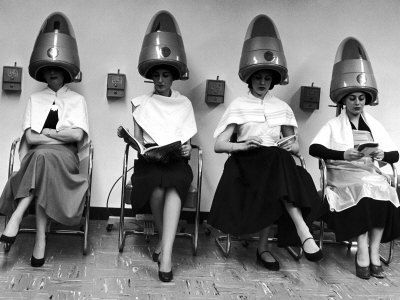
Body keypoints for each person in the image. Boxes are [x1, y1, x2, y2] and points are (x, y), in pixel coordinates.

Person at [208, 14, 323, 271]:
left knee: (280, 159)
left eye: (267, 78)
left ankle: (271, 245)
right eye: (258, 77)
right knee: (279, 164)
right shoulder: (238, 105)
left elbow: (295, 147)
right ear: (250, 78)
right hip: (246, 165)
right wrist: (243, 146)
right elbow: (219, 145)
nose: (263, 82)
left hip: (275, 164)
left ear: (273, 80)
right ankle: (300, 233)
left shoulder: (281, 108)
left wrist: (289, 146)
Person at [0, 12, 89, 268]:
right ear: (43, 71)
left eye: (58, 69)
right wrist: (57, 137)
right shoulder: (34, 99)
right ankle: (40, 239)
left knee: (42, 155)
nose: (53, 73)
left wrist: (47, 135)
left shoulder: (77, 100)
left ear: (65, 72)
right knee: (41, 158)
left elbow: (77, 136)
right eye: (49, 69)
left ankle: (17, 216)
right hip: (40, 158)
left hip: (66, 159)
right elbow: (29, 136)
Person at [310, 37, 400, 280]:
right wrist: (343, 154)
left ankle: (373, 251)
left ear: (366, 100)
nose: (357, 103)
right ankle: (362, 249)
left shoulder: (374, 125)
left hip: (368, 172)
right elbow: (314, 149)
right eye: (352, 98)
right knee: (364, 190)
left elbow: (395, 154)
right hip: (343, 175)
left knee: (381, 189)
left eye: (361, 98)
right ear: (344, 100)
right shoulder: (333, 124)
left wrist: (381, 154)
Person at [118, 11, 197, 283]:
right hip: (150, 162)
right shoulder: (141, 103)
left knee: (174, 184)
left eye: (165, 75)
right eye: (156, 76)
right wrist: (138, 145)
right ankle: (165, 243)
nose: (161, 80)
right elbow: (140, 140)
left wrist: (185, 150)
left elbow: (186, 143)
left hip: (176, 162)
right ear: (151, 77)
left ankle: (166, 253)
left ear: (173, 77)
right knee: (155, 187)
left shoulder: (183, 104)